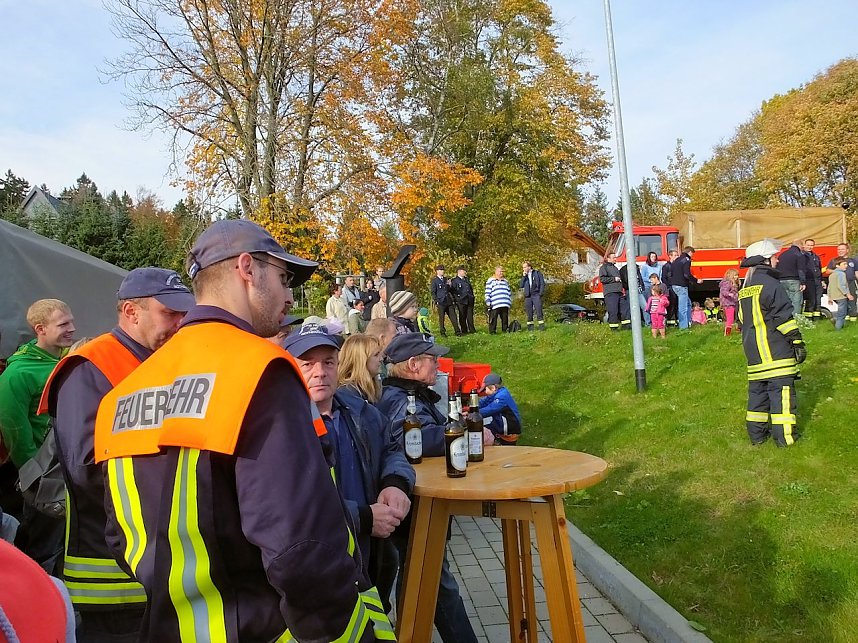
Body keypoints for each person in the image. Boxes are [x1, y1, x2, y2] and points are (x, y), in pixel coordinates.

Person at [92, 219, 392, 641]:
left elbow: (120, 537)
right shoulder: (259, 372)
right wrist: (338, 629)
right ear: (248, 269)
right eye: (284, 276)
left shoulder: (124, 393)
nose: (290, 295)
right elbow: (300, 547)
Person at [39, 267, 195, 641]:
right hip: (109, 577)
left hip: (156, 565)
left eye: (183, 314)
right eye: (169, 313)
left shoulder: (160, 361)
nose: (180, 323)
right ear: (131, 311)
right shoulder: (90, 367)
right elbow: (86, 469)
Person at [284, 325, 414, 615]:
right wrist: (364, 518)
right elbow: (291, 510)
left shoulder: (361, 411)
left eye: (328, 362)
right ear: (290, 369)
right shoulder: (281, 428)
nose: (320, 372)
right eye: (307, 364)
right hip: (320, 570)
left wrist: (395, 483)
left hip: (371, 560)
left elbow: (392, 449)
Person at [377, 333, 488, 643]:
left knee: (421, 576)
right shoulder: (402, 400)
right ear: (412, 364)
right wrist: (469, 435)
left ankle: (408, 632)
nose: (438, 366)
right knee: (434, 578)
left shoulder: (408, 394)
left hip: (414, 504)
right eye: (432, 359)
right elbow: (420, 439)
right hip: (414, 506)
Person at [0, 298, 75, 574]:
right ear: (40, 329)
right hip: (41, 478)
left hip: (66, 469)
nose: (72, 328)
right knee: (43, 546)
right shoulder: (18, 374)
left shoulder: (65, 359)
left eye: (71, 320)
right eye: (63, 323)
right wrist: (33, 476)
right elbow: (12, 428)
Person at [739, 238, 805, 447]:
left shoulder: (745, 288)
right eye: (775, 256)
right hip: (775, 352)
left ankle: (757, 437)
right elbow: (782, 316)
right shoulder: (771, 284)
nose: (777, 260)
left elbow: (742, 320)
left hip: (754, 354)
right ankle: (785, 439)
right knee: (782, 397)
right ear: (766, 260)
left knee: (757, 397)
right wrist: (796, 341)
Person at [338, 334, 385, 403]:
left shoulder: (365, 389)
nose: (381, 359)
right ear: (361, 360)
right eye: (376, 355)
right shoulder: (348, 394)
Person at [478, 373, 522, 445]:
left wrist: (472, 414)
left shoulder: (502, 397)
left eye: (485, 389)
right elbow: (485, 401)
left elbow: (490, 410)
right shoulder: (497, 392)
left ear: (493, 388)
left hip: (508, 430)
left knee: (481, 435)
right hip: (498, 424)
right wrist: (471, 407)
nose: (484, 392)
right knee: (480, 431)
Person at [825, 243, 857, 323]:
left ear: (847, 250)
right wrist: (838, 272)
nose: (840, 251)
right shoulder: (834, 260)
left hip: (850, 283)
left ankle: (852, 320)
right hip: (838, 285)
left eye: (842, 249)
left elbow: (856, 273)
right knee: (842, 302)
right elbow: (828, 271)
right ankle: (843, 319)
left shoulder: (853, 261)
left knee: (852, 301)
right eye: (838, 249)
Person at [671, 247, 703, 329]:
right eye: (692, 254)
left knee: (688, 304)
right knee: (683, 307)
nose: (692, 256)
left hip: (674, 285)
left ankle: (689, 322)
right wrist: (696, 280)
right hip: (682, 286)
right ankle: (683, 327)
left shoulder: (677, 260)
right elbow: (686, 274)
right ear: (689, 252)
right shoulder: (686, 260)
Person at [777, 239, 807, 321]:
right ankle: (796, 320)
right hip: (794, 280)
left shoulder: (782, 254)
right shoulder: (799, 255)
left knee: (786, 301)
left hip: (781, 280)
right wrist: (803, 282)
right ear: (800, 245)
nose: (803, 247)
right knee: (796, 302)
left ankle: (786, 319)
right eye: (803, 245)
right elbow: (801, 270)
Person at [430, 265, 461, 337]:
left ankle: (457, 331)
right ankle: (442, 332)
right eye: (441, 270)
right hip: (441, 301)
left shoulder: (445, 279)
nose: (442, 271)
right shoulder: (435, 281)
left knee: (453, 316)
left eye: (443, 270)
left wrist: (450, 285)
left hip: (448, 301)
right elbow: (433, 292)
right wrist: (436, 300)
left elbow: (449, 290)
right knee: (442, 318)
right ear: (437, 271)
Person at [827, 256, 853, 330]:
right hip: (841, 296)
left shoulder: (832, 275)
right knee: (842, 313)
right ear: (837, 266)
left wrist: (830, 297)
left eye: (846, 264)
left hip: (835, 297)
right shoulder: (841, 274)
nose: (846, 265)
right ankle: (838, 329)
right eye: (844, 264)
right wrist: (848, 294)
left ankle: (841, 325)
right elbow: (841, 286)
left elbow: (830, 287)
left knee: (843, 311)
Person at [619, 261, 648, 327]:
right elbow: (624, 280)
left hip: (639, 291)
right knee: (631, 308)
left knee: (645, 306)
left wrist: (642, 287)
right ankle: (633, 325)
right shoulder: (623, 269)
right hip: (630, 291)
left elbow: (640, 279)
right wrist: (627, 287)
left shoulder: (636, 268)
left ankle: (648, 323)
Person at [598, 253, 623, 331]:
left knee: (621, 310)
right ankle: (613, 329)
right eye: (613, 257)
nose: (615, 259)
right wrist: (614, 279)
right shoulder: (604, 267)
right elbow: (602, 279)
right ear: (608, 259)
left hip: (618, 292)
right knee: (613, 311)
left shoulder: (615, 268)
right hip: (611, 292)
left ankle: (625, 327)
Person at [485, 266, 512, 334]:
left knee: (505, 318)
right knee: (493, 318)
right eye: (500, 271)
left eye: (502, 271)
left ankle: (505, 330)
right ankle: (492, 331)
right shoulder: (491, 280)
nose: (501, 273)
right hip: (495, 303)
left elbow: (509, 291)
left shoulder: (505, 281)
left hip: (505, 303)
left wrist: (509, 300)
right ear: (496, 272)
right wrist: (488, 301)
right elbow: (487, 291)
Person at [520, 261, 546, 331]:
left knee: (538, 310)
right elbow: (521, 285)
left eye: (525, 267)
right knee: (529, 312)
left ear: (529, 267)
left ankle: (541, 327)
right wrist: (523, 276)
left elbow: (542, 284)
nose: (524, 269)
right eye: (523, 267)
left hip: (536, 294)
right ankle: (530, 328)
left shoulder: (537, 273)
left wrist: (540, 293)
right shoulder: (524, 276)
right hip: (528, 296)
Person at [450, 265, 476, 333]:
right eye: (464, 271)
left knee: (470, 316)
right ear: (459, 271)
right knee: (462, 316)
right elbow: (453, 291)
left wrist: (472, 296)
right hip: (461, 300)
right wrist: (456, 299)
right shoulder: (455, 280)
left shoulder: (466, 279)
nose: (465, 272)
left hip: (469, 299)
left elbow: (470, 289)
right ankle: (464, 330)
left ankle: (472, 329)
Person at [802, 239, 823, 320]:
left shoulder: (816, 256)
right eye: (808, 245)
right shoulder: (802, 256)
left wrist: (822, 280)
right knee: (810, 300)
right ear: (804, 245)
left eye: (811, 245)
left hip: (817, 280)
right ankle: (808, 319)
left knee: (818, 300)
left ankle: (817, 319)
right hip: (808, 281)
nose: (810, 247)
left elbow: (819, 269)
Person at [661, 249, 680, 326]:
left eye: (677, 255)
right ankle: (670, 321)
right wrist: (669, 287)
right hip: (671, 288)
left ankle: (678, 320)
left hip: (678, 287)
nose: (677, 257)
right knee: (671, 304)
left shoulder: (678, 266)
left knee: (678, 304)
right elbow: (663, 278)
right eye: (675, 255)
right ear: (670, 256)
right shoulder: (666, 266)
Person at [719, 268, 740, 335]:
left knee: (735, 316)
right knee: (730, 318)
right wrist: (730, 294)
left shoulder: (734, 283)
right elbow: (724, 291)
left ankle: (737, 328)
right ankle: (727, 333)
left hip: (733, 302)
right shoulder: (727, 283)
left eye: (737, 275)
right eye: (735, 275)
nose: (737, 277)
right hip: (728, 303)